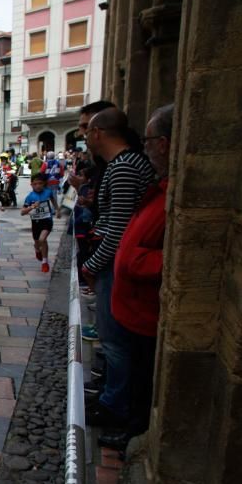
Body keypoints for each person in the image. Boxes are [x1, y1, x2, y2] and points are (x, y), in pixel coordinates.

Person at [101, 104, 172, 451]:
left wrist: (122, 260)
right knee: (128, 360)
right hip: (132, 304)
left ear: (166, 143)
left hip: (142, 308)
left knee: (137, 368)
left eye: (150, 140)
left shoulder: (132, 171)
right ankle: (123, 412)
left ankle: (127, 420)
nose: (145, 147)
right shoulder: (157, 187)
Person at [81, 108, 156, 428]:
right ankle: (112, 394)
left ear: (99, 133)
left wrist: (93, 265)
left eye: (86, 131)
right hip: (115, 262)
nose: (84, 137)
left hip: (116, 265)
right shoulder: (121, 165)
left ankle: (115, 405)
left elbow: (119, 227)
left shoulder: (124, 167)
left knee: (115, 339)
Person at [20, 173, 58, 273]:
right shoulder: (30, 197)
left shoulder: (48, 192)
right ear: (31, 184)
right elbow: (22, 212)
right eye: (35, 184)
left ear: (44, 184)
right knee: (37, 242)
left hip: (47, 220)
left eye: (40, 183)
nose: (38, 186)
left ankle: (44, 262)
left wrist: (57, 210)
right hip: (36, 222)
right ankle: (37, 250)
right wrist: (32, 207)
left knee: (43, 239)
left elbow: (53, 200)